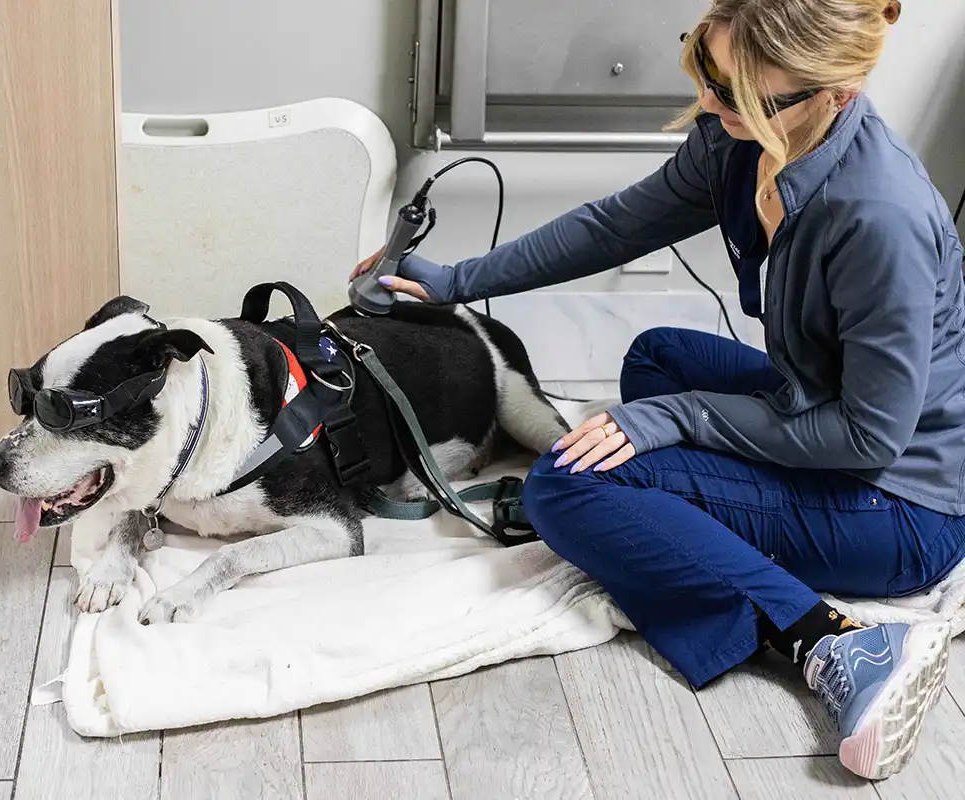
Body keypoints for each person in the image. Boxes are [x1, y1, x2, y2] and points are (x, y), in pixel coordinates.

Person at [352, 0, 964, 781]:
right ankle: (687, 528)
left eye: (738, 93)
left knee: (567, 488)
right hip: (824, 421)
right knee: (657, 358)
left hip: (900, 506)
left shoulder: (878, 216)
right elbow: (612, 227)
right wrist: (453, 283)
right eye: (707, 69)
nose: (709, 102)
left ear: (833, 93)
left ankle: (833, 639)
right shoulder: (745, 139)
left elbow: (871, 437)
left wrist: (678, 422)